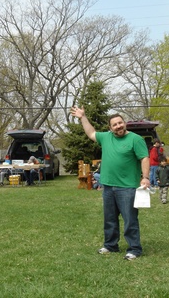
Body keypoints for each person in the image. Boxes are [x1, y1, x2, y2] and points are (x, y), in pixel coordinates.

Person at [70, 107, 150, 261]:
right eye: (115, 124)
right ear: (110, 128)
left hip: (127, 187)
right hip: (108, 186)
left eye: (120, 123)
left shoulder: (135, 139)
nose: (118, 126)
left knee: (130, 219)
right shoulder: (106, 137)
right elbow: (91, 133)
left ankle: (134, 249)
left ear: (124, 123)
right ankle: (111, 245)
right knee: (110, 219)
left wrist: (145, 177)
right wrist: (83, 117)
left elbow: (144, 158)